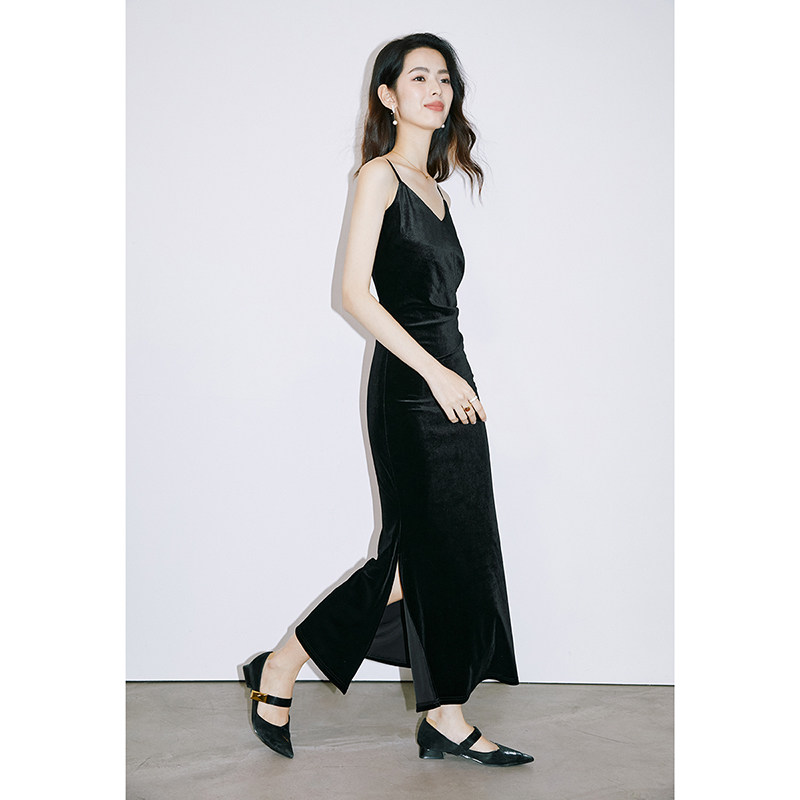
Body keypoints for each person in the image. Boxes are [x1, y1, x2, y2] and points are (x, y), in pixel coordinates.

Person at [241, 32, 534, 767]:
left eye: (446, 79)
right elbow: (353, 293)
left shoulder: (438, 188)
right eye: (420, 78)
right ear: (388, 95)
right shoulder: (379, 176)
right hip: (411, 389)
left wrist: (455, 375)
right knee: (411, 561)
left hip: (452, 381)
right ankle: (281, 665)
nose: (437, 90)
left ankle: (446, 716)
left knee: (458, 553)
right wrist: (435, 374)